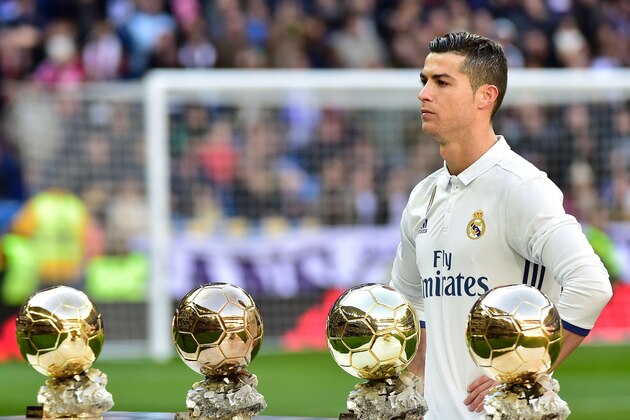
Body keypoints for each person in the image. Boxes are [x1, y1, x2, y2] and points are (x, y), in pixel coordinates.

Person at [389, 31, 613, 419]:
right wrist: (418, 370)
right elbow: (407, 299)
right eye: (424, 81)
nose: (425, 93)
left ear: (485, 97)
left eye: (442, 82)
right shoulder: (422, 196)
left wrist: (527, 369)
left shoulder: (521, 187)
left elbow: (590, 284)